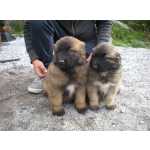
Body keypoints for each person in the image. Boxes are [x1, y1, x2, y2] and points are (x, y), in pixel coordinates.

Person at [24, 20, 112, 94]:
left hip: (87, 40)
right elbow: (29, 25)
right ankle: (47, 73)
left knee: (96, 71)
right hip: (60, 39)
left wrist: (99, 48)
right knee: (37, 22)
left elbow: (105, 22)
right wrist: (35, 58)